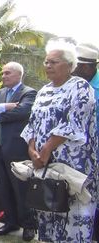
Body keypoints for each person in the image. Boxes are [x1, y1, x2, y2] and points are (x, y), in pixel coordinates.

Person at [21, 40, 98, 242]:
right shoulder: (43, 91)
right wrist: (32, 151)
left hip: (73, 170)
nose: (48, 65)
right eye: (46, 62)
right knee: (47, 219)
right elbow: (32, 124)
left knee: (73, 225)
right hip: (46, 170)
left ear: (69, 64)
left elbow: (73, 123)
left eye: (53, 62)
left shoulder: (81, 88)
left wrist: (46, 149)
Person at [0, 62, 37, 241]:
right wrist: (6, 106)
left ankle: (28, 225)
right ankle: (11, 221)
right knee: (3, 188)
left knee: (21, 189)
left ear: (19, 75)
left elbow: (22, 112)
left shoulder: (29, 92)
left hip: (16, 149)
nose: (3, 76)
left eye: (8, 73)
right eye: (3, 73)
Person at [73, 44, 99, 242]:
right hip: (77, 160)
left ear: (88, 68)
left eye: (76, 66)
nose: (73, 70)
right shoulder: (74, 87)